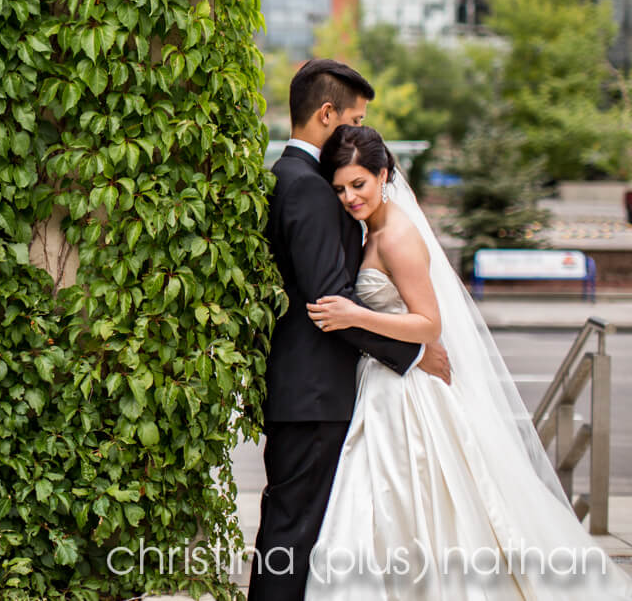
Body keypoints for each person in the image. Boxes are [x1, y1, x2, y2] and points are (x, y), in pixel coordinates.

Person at [305, 125, 632, 598]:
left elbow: (428, 324)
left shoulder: (396, 236)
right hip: (382, 380)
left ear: (382, 174)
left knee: (411, 493)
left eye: (358, 184)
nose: (350, 197)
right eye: (340, 189)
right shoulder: (370, 229)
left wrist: (355, 314)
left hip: (407, 392)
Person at [250, 59, 451, 601]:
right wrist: (412, 353)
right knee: (293, 533)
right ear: (326, 113)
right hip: (315, 394)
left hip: (310, 392)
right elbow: (328, 302)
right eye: (353, 118)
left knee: (298, 531)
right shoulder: (310, 190)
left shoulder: (291, 178)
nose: (358, 132)